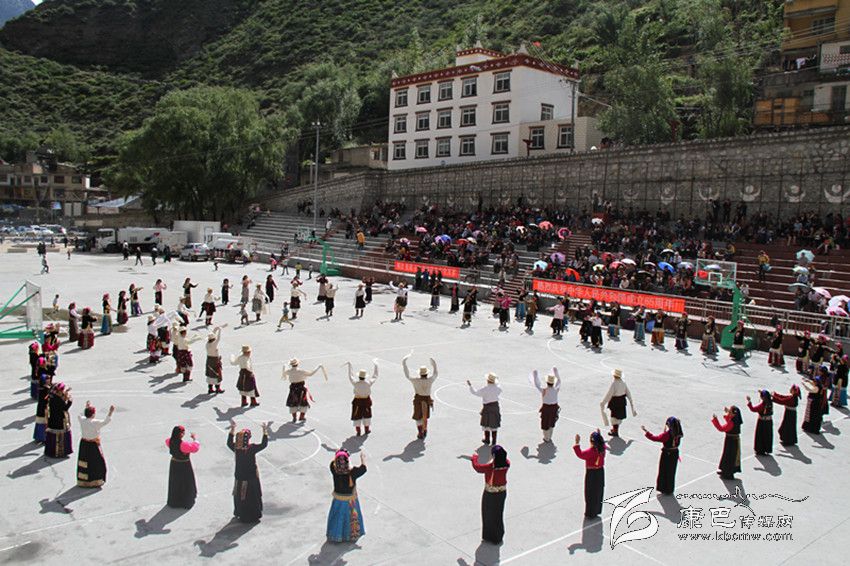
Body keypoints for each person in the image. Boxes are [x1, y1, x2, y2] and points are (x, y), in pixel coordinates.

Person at [227, 421, 270, 523]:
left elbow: (229, 443)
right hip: (251, 477)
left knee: (239, 496)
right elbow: (264, 444)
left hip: (239, 477)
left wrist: (232, 429)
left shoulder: (236, 448)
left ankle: (240, 512)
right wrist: (265, 431)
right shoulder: (251, 448)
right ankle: (252, 514)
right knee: (252, 496)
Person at [471, 445, 510, 544]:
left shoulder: (490, 467)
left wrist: (474, 458)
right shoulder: (507, 464)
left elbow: (477, 467)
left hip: (490, 494)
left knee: (488, 514)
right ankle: (497, 536)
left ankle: (489, 536)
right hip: (501, 493)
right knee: (498, 514)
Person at [326, 450, 367, 543]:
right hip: (350, 501)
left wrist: (339, 454)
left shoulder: (334, 469)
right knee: (350, 517)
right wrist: (362, 458)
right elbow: (364, 468)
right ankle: (351, 534)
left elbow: (333, 462)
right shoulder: (353, 472)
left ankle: (336, 535)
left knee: (337, 517)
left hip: (338, 500)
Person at [642, 417, 683, 495]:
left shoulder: (667, 434)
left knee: (664, 470)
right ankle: (669, 489)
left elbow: (655, 438)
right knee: (671, 471)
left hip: (667, 454)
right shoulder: (678, 432)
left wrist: (647, 432)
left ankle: (664, 488)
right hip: (674, 453)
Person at [77, 402, 115, 488]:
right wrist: (110, 412)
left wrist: (86, 407)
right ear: (93, 414)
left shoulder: (82, 420)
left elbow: (80, 415)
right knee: (96, 462)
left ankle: (83, 481)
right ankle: (95, 480)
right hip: (93, 444)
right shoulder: (94, 422)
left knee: (84, 462)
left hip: (84, 444)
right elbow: (105, 421)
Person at [402, 352, 438, 439]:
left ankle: (420, 432)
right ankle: (425, 429)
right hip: (426, 399)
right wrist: (434, 365)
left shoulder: (416, 381)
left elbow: (407, 375)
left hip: (418, 399)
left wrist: (404, 363)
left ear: (420, 374)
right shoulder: (430, 380)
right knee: (425, 416)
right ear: (427, 374)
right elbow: (435, 374)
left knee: (418, 417)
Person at [574, 430, 606, 518]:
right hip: (600, 472)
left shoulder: (591, 451)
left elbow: (580, 454)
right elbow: (602, 443)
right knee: (598, 491)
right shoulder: (602, 448)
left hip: (591, 473)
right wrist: (599, 434)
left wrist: (577, 443)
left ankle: (590, 512)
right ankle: (597, 510)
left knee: (590, 492)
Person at [166, 426, 200, 509]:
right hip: (184, 465)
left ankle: (174, 500)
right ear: (180, 434)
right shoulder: (183, 445)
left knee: (175, 482)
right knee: (186, 482)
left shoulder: (169, 441)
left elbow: (168, 442)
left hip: (174, 464)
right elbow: (195, 448)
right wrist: (195, 439)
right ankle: (185, 501)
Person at [468, 373, 503, 445]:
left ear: (487, 380)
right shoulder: (498, 388)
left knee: (486, 423)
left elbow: (475, 392)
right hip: (495, 407)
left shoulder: (485, 389)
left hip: (487, 407)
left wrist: (470, 385)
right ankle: (494, 441)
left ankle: (487, 440)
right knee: (494, 424)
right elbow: (499, 389)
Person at [600, 369, 636, 437]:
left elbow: (609, 394)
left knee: (614, 417)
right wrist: (631, 401)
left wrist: (603, 402)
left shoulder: (614, 383)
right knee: (618, 417)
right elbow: (628, 392)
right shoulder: (623, 383)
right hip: (622, 401)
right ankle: (615, 430)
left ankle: (615, 432)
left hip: (615, 402)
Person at [711, 406, 743, 479]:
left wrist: (715, 420)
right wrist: (728, 412)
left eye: (730, 412)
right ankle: (726, 470)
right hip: (734, 440)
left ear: (733, 414)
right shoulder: (736, 420)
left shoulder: (731, 422)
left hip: (730, 441)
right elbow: (729, 420)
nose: (729, 413)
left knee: (728, 456)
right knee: (730, 456)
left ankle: (727, 473)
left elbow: (721, 428)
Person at [347, 361, 378, 436]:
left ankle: (358, 432)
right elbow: (375, 376)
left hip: (357, 401)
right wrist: (376, 365)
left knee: (357, 416)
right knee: (367, 415)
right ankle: (366, 430)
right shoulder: (368, 383)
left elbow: (351, 376)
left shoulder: (355, 383)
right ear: (365, 377)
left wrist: (350, 366)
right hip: (366, 401)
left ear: (359, 377)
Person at [532, 368, 561, 443]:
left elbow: (537, 384)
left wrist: (535, 375)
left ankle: (546, 437)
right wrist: (556, 372)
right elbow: (559, 381)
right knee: (552, 421)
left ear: (547, 383)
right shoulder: (556, 389)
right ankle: (549, 436)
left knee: (545, 422)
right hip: (554, 408)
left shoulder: (544, 390)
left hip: (546, 408)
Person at [45, 382, 73, 458]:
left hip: (52, 419)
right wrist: (70, 402)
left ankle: (51, 451)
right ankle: (59, 452)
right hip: (60, 420)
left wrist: (66, 393)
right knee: (61, 436)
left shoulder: (52, 397)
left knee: (52, 435)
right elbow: (65, 408)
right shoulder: (59, 400)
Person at [746, 390, 774, 455]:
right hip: (769, 422)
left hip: (762, 422)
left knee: (760, 436)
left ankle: (760, 449)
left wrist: (749, 401)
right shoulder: (770, 402)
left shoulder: (763, 405)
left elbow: (753, 409)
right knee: (768, 435)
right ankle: (767, 448)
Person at [205, 326, 225, 394]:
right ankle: (217, 388)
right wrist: (219, 330)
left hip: (209, 359)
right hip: (215, 360)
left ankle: (210, 388)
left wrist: (215, 330)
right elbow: (218, 338)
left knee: (210, 374)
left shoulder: (207, 344)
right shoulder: (214, 344)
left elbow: (212, 335)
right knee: (217, 374)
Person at [33, 373, 52, 443]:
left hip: (44, 407)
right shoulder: (44, 389)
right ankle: (42, 438)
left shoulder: (44, 387)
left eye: (49, 379)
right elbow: (45, 399)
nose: (49, 381)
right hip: (43, 407)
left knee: (42, 422)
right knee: (42, 422)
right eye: (47, 379)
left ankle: (41, 437)